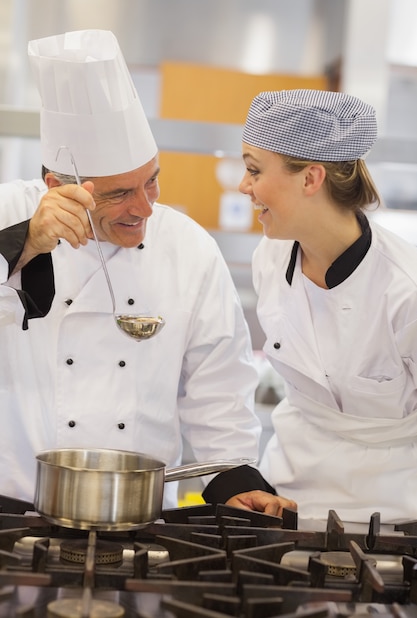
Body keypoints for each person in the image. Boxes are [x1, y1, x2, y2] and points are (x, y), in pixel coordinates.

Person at [0, 30, 296, 516]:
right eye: (118, 194)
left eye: (152, 180)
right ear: (56, 186)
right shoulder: (9, 212)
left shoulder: (189, 249)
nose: (144, 207)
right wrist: (25, 244)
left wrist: (232, 479)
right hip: (13, 514)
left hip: (139, 520)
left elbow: (218, 387)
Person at [238, 88, 417, 527]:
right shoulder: (270, 257)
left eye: (254, 170)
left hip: (393, 522)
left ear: (310, 178)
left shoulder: (405, 290)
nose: (244, 186)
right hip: (286, 506)